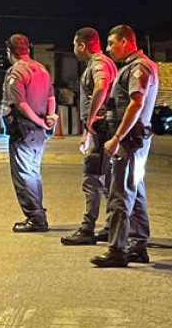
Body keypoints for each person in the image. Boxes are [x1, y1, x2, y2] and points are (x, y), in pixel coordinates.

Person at [92, 24, 159, 268]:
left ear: (125, 42)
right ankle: (138, 246)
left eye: (111, 43)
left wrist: (117, 137)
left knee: (119, 195)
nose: (108, 49)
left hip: (130, 141)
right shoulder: (137, 66)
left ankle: (117, 250)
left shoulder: (138, 67)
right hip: (135, 139)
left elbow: (136, 104)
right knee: (135, 191)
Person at [61, 27, 117, 247]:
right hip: (101, 128)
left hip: (101, 129)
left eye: (75, 45)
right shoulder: (104, 62)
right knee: (107, 180)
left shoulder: (98, 64)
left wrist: (92, 119)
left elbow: (101, 87)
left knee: (91, 178)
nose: (74, 49)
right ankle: (113, 225)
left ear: (82, 45)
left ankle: (87, 228)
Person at [1, 33, 56, 232]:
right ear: (28, 49)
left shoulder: (17, 72)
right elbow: (51, 97)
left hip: (23, 129)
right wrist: (48, 118)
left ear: (9, 51)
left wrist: (38, 120)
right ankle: (38, 213)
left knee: (24, 174)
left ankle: (35, 218)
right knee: (33, 172)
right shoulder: (42, 69)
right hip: (39, 132)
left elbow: (21, 104)